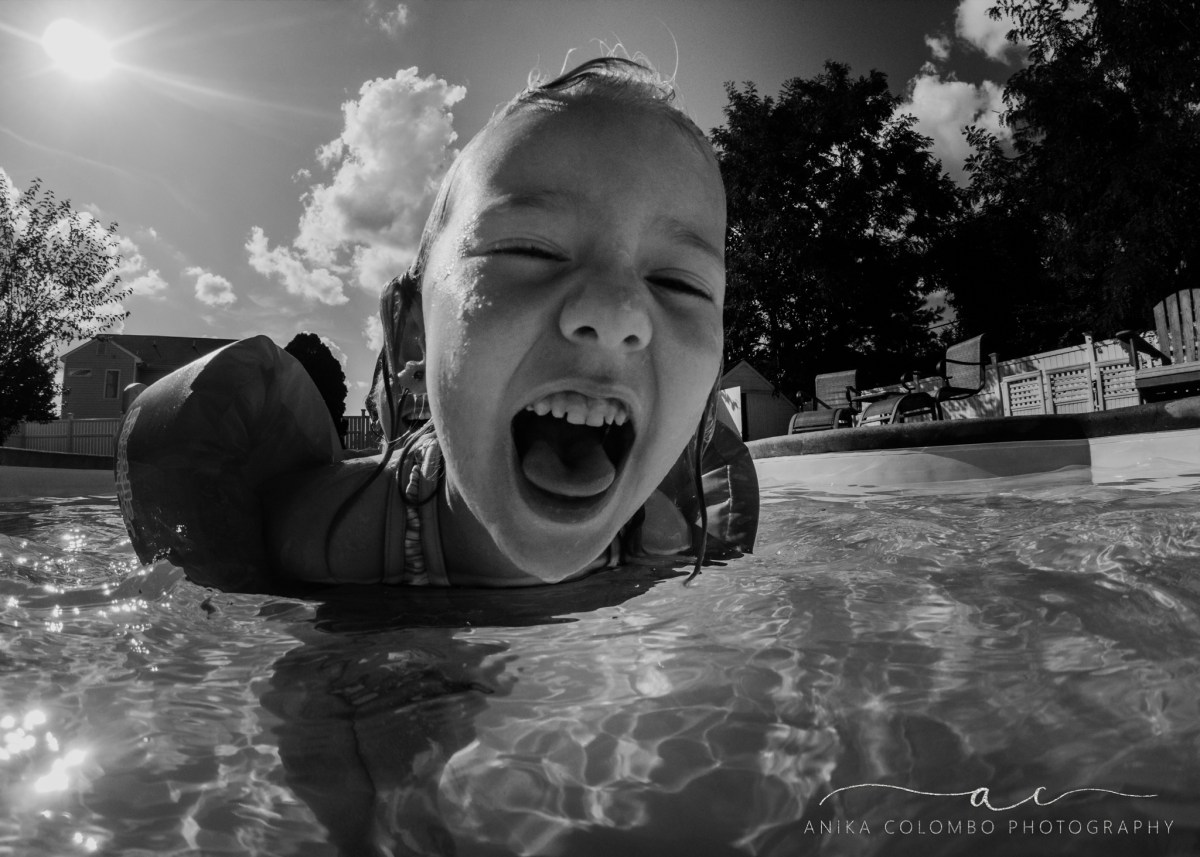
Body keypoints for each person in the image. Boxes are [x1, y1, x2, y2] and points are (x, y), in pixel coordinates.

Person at [116, 57, 757, 591]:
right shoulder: (329, 541)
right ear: (413, 333)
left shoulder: (667, 545)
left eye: (679, 283)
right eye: (531, 251)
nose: (618, 316)